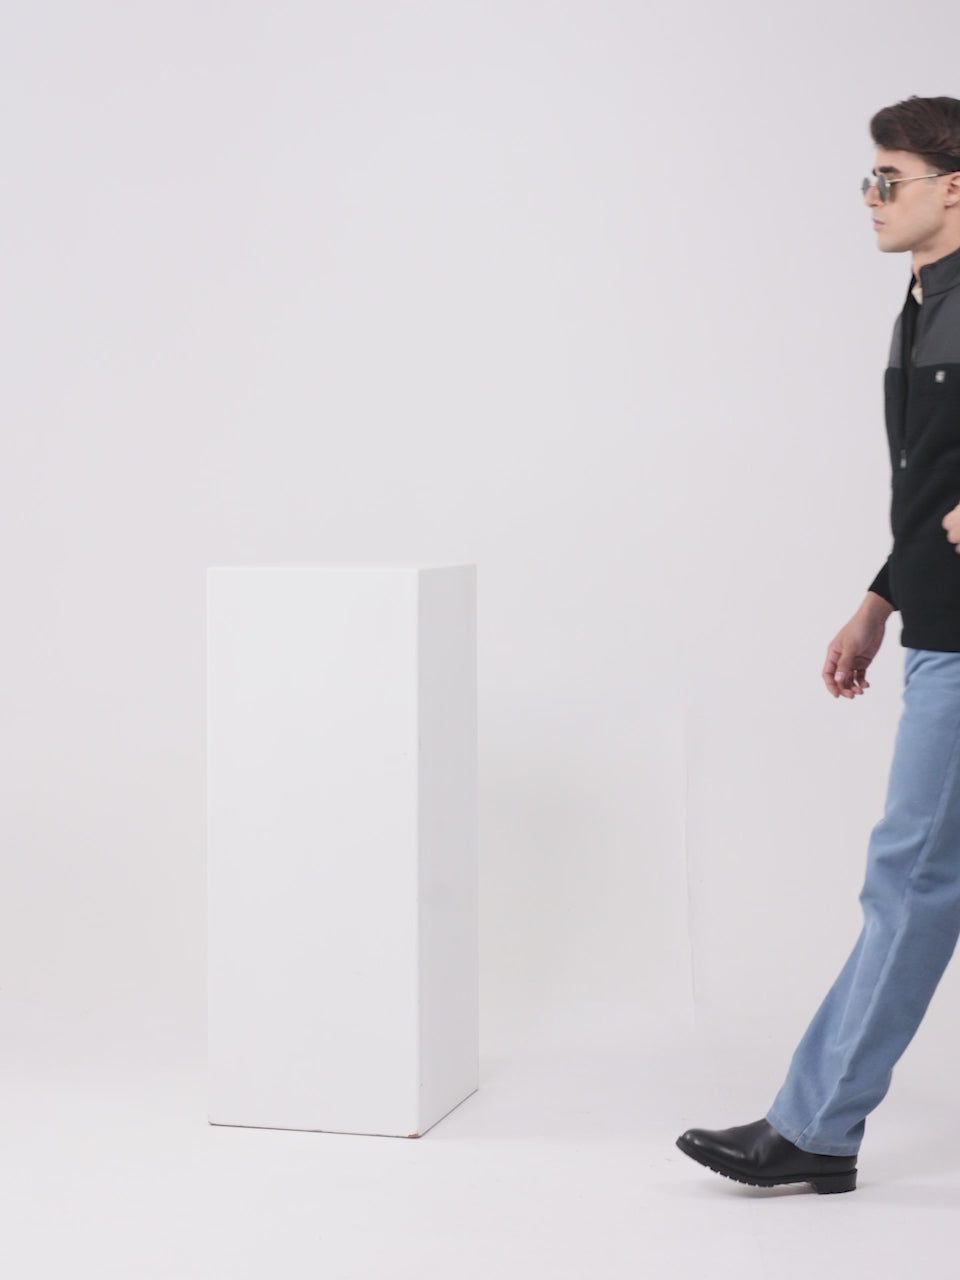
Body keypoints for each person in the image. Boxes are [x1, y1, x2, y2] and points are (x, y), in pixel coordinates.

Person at [676, 95, 960, 1194]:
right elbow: (932, 487)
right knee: (915, 876)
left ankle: (818, 1126)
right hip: (936, 621)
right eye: (868, 178)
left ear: (953, 188)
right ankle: (819, 1124)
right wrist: (879, 600)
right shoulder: (922, 306)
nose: (871, 198)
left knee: (910, 877)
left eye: (891, 178)